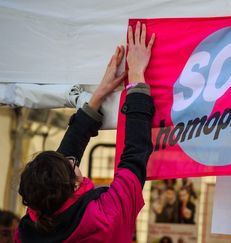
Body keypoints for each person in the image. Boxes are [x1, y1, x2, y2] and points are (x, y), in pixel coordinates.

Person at [16, 21, 156, 242]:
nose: (73, 160)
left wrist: (98, 96)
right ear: (74, 185)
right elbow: (135, 154)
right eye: (71, 166)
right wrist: (137, 76)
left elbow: (64, 161)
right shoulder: (106, 217)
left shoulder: (30, 228)